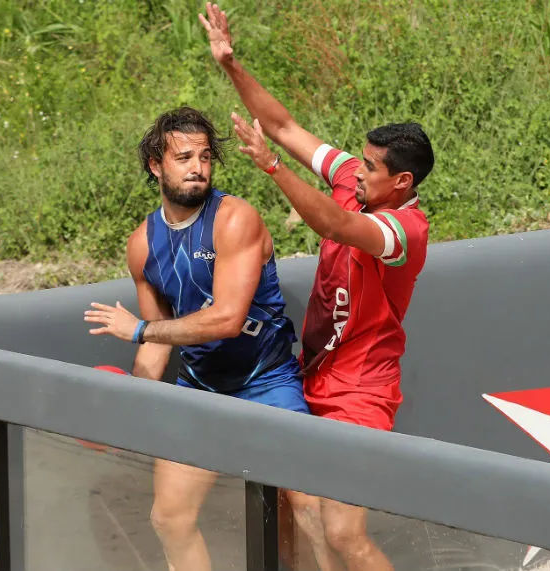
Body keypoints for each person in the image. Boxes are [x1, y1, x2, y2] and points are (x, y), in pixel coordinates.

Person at [199, 4, 435, 571]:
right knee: (295, 508)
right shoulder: (357, 177)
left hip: (361, 391)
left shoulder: (404, 230)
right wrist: (230, 64)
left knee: (344, 533)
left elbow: (335, 225)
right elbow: (283, 127)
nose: (358, 170)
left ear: (402, 181)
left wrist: (274, 169)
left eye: (371, 167)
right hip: (313, 373)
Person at [83, 105, 310, 571]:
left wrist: (139, 330)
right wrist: (131, 404)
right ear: (156, 165)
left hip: (268, 383)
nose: (197, 168)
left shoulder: (235, 219)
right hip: (202, 389)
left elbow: (226, 319)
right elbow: (158, 344)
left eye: (205, 157)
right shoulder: (142, 244)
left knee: (307, 514)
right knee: (169, 519)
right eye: (184, 158)